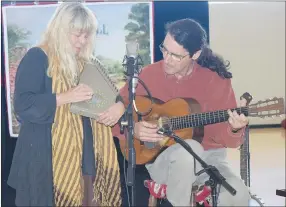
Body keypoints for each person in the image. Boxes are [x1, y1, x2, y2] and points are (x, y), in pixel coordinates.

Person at [113, 18, 251, 206]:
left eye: (176, 56)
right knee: (189, 149)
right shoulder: (148, 74)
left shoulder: (216, 80)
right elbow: (118, 111)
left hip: (210, 160)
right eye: (165, 50)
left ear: (195, 55)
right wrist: (133, 129)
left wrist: (234, 129)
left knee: (239, 195)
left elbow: (230, 142)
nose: (167, 59)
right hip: (163, 160)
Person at [8, 2, 124, 206]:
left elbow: (113, 95)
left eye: (87, 35)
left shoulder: (89, 62)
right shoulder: (37, 57)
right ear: (60, 30)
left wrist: (119, 106)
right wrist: (65, 96)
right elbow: (23, 105)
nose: (82, 41)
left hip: (88, 159)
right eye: (76, 34)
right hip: (46, 161)